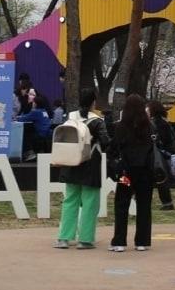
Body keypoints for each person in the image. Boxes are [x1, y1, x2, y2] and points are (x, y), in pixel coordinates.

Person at [54, 88, 111, 250]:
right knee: (90, 202)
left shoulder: (69, 117)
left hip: (70, 163)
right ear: (94, 102)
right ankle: (85, 239)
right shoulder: (97, 121)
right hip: (90, 165)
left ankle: (64, 238)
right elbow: (106, 142)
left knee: (70, 201)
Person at [108, 94, 156, 252]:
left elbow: (113, 148)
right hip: (145, 174)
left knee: (122, 203)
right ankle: (142, 242)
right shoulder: (149, 127)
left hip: (125, 174)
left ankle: (119, 241)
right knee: (144, 205)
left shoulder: (120, 127)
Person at [147, 100, 175, 211]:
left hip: (158, 155)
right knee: (162, 179)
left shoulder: (154, 123)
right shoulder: (164, 122)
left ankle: (165, 203)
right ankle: (167, 203)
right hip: (166, 154)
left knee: (157, 179)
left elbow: (158, 140)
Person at [17, 94, 53, 159]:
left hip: (40, 133)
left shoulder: (36, 112)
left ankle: (29, 153)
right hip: (47, 132)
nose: (32, 103)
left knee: (25, 135)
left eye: (33, 102)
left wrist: (16, 118)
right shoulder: (44, 111)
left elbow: (24, 118)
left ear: (36, 104)